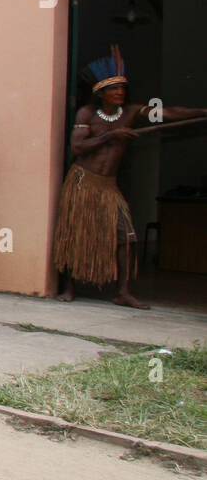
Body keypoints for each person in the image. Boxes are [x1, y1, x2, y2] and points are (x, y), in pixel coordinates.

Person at [54, 47, 206, 309]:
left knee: (127, 237)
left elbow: (169, 113)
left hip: (109, 185)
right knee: (76, 233)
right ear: (101, 92)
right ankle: (70, 287)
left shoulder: (132, 112)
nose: (120, 93)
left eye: (122, 88)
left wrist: (202, 112)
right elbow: (77, 148)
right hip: (82, 181)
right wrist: (110, 136)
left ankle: (123, 292)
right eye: (114, 89)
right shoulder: (86, 114)